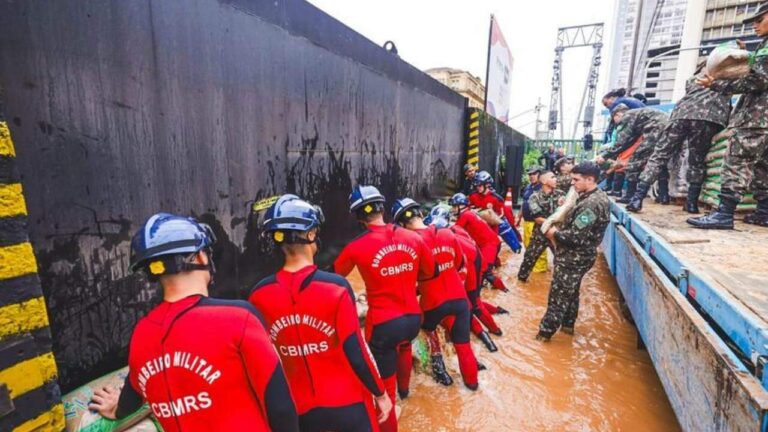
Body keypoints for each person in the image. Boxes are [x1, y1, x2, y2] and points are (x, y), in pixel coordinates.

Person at [88, 213, 299, 432]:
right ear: (200, 257)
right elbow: (280, 406)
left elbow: (132, 396)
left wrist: (116, 410)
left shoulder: (141, 333)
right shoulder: (238, 317)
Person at [249, 195, 392, 431]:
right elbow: (355, 350)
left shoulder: (258, 295)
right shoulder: (335, 287)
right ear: (311, 234)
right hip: (348, 404)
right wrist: (380, 393)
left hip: (299, 411)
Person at [333, 185, 435, 431]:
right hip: (413, 319)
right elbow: (430, 272)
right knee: (403, 347)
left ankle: (390, 412)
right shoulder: (413, 238)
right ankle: (406, 392)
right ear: (382, 208)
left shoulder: (356, 247)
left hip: (383, 325)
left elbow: (334, 279)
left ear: (358, 217)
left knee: (383, 392)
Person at [688, 3, 768, 229]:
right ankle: (764, 212)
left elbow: (758, 80)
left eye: (759, 19)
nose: (755, 25)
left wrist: (718, 85)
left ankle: (724, 214)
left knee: (737, 161)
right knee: (763, 165)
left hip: (758, 117)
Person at [391, 199, 479, 390]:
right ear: (421, 214)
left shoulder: (410, 243)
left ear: (402, 225)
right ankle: (473, 387)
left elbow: (409, 275)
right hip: (460, 300)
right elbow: (458, 264)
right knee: (464, 346)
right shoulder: (448, 233)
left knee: (427, 328)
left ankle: (439, 368)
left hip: (432, 302)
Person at [626, 64, 731, 213]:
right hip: (708, 118)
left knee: (659, 155)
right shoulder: (729, 78)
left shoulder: (693, 79)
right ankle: (692, 203)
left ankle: (637, 199)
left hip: (681, 115)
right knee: (697, 160)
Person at [539, 162, 610, 341]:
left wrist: (554, 232)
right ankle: (568, 328)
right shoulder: (590, 197)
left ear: (590, 179)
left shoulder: (591, 204)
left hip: (573, 257)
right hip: (580, 256)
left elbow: (574, 237)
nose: (573, 183)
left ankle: (544, 336)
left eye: (576, 180)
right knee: (571, 293)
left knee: (558, 297)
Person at [425, 206, 502, 352]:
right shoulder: (456, 230)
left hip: (471, 267)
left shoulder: (445, 236)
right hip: (476, 261)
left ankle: (493, 332)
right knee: (471, 303)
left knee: (472, 305)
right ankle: (494, 327)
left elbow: (456, 263)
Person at [599, 105, 669, 204]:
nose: (614, 122)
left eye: (613, 118)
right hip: (669, 128)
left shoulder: (627, 116)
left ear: (618, 114)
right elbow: (630, 140)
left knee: (635, 160)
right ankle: (664, 196)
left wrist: (604, 155)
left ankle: (629, 195)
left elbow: (622, 141)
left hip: (656, 128)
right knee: (659, 161)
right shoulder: (637, 115)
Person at [448, 192, 507, 292]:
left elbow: (453, 232)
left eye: (454, 206)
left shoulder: (465, 215)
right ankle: (498, 284)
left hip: (489, 246)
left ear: (461, 206)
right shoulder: (469, 213)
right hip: (491, 243)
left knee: (485, 273)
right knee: (490, 269)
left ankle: (505, 291)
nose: (453, 209)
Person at [517, 171, 565, 282]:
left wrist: (564, 205)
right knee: (529, 259)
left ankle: (559, 283)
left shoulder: (561, 194)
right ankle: (521, 282)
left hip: (557, 233)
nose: (556, 179)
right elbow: (538, 219)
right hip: (540, 234)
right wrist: (554, 223)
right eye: (552, 177)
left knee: (562, 260)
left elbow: (568, 212)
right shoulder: (534, 197)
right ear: (543, 181)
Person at [469, 170, 522, 251]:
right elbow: (468, 209)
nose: (478, 188)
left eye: (480, 185)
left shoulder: (496, 198)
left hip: (494, 226)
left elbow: (501, 215)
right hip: (479, 225)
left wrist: (489, 218)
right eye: (476, 186)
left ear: (487, 185)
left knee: (510, 240)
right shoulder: (473, 196)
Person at [521, 166, 549, 274]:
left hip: (537, 222)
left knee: (538, 247)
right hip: (526, 221)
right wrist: (519, 217)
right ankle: (532, 267)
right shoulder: (528, 187)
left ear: (540, 175)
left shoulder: (543, 188)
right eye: (530, 174)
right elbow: (524, 203)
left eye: (534, 174)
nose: (531, 176)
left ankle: (541, 270)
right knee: (527, 244)